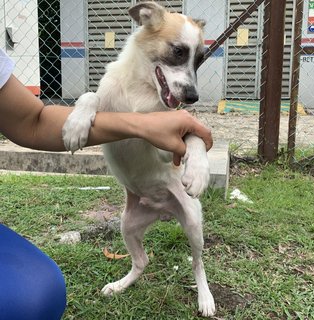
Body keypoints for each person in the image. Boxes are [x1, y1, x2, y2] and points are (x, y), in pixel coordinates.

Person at [0, 48, 213, 320]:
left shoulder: (161, 96)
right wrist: (88, 104)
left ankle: (199, 272)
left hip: (169, 187)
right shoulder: (114, 81)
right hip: (136, 194)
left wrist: (195, 153)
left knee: (194, 226)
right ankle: (137, 267)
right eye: (177, 55)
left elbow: (33, 120)